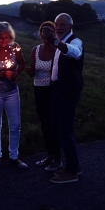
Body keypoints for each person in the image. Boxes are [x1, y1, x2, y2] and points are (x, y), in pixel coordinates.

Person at [0, 21, 28, 169]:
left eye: (7, 37)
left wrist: (16, 73)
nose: (4, 40)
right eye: (1, 37)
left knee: (15, 124)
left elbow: (22, 63)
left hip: (12, 92)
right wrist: (2, 73)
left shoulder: (15, 48)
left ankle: (14, 156)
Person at [48, 13, 84, 184]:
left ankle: (72, 171)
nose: (59, 27)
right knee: (58, 129)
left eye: (62, 24)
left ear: (70, 26)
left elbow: (75, 53)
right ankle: (73, 166)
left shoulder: (75, 41)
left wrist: (55, 42)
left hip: (67, 91)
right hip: (57, 89)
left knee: (64, 131)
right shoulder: (60, 43)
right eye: (57, 24)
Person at [25, 21, 62, 172]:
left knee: (54, 124)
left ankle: (59, 159)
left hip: (52, 90)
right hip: (39, 90)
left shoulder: (58, 50)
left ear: (54, 33)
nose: (45, 33)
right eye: (43, 31)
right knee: (45, 124)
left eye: (48, 31)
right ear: (40, 34)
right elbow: (33, 70)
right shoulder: (36, 49)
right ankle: (50, 155)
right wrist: (30, 72)